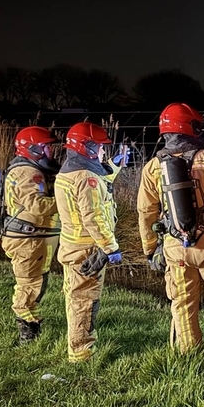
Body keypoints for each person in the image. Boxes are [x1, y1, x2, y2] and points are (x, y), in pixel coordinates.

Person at [136, 103, 204, 362]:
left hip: (174, 244)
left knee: (182, 299)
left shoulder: (152, 167)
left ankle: (189, 358)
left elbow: (146, 213)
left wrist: (150, 249)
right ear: (191, 128)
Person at [54, 121, 122, 363]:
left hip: (72, 246)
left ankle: (78, 348)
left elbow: (100, 180)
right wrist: (110, 247)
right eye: (100, 147)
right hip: (86, 249)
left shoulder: (72, 170)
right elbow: (93, 217)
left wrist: (115, 165)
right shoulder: (85, 178)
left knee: (75, 298)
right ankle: (81, 354)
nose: (103, 151)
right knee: (84, 302)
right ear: (88, 147)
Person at [1, 126, 60, 344]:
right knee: (28, 284)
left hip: (33, 239)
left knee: (35, 283)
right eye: (47, 147)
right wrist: (66, 201)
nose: (50, 152)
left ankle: (32, 325)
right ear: (34, 149)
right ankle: (27, 335)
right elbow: (37, 205)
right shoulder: (28, 173)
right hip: (27, 241)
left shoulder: (27, 170)